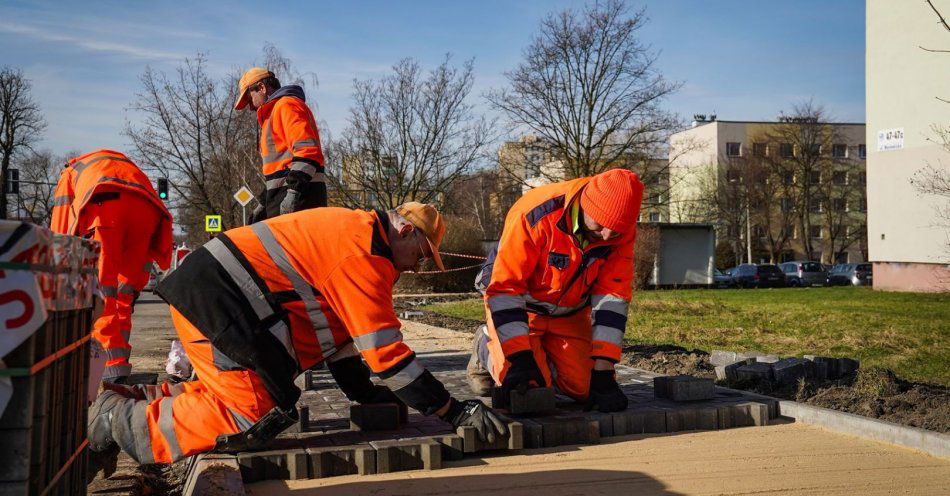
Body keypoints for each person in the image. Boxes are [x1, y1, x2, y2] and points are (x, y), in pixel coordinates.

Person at [87, 202, 509, 464]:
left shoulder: (358, 236)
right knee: (248, 415)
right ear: (403, 230)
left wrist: (364, 396)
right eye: (419, 255)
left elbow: (341, 335)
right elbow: (389, 356)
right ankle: (119, 422)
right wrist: (454, 412)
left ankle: (137, 399)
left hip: (217, 301)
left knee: (239, 396)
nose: (416, 267)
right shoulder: (362, 254)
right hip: (216, 306)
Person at [469, 169, 643, 413]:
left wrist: (604, 369)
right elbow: (506, 288)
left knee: (586, 388)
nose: (606, 236)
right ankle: (485, 347)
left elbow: (612, 298)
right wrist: (519, 357)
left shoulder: (620, 230)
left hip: (569, 313)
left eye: (615, 231)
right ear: (585, 204)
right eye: (601, 225)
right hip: (523, 309)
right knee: (530, 389)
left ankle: (543, 359)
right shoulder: (534, 213)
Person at [50, 149, 173, 383]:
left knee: (100, 291)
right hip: (147, 211)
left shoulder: (70, 172)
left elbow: (61, 229)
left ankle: (109, 368)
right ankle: (119, 364)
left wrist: (59, 265)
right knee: (123, 295)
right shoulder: (112, 165)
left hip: (106, 208)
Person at [235, 67, 327, 222]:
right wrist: (263, 203)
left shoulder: (286, 106)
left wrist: (293, 195)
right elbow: (278, 172)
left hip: (300, 200)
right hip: (289, 199)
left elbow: (307, 153)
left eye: (250, 99)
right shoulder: (275, 113)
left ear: (262, 88)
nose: (250, 106)